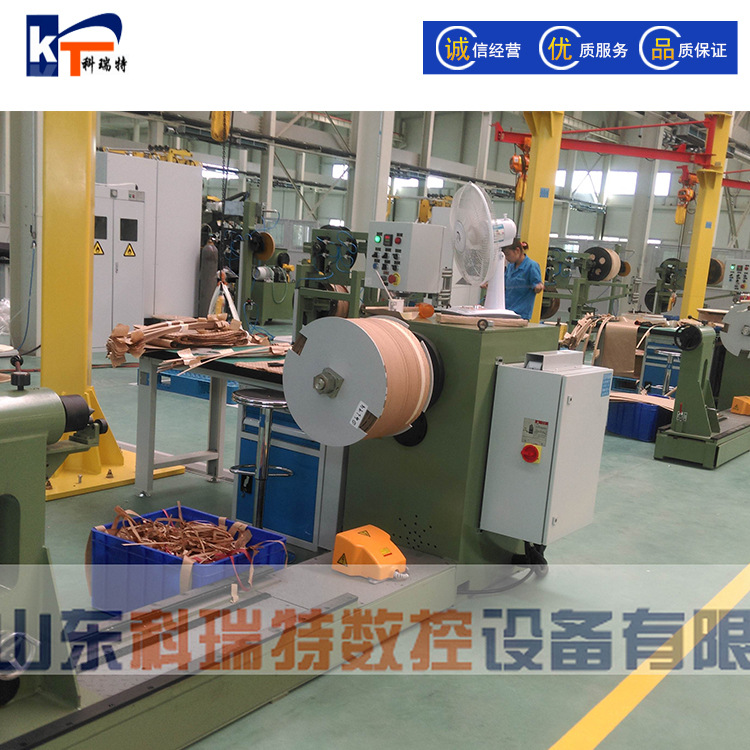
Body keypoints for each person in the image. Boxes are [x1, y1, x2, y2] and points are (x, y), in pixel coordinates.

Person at [502, 239, 544, 320]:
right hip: (507, 311)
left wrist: (538, 287)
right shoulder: (510, 266)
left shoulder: (531, 266)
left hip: (521, 315)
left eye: (508, 254)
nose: (506, 258)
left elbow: (537, 285)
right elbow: (504, 284)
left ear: (517, 251)